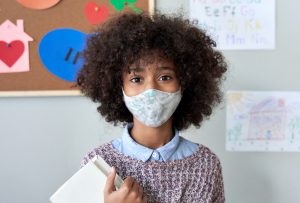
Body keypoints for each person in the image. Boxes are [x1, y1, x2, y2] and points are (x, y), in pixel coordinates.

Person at [77, 11, 227, 203]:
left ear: (186, 83)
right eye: (136, 79)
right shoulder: (98, 163)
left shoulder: (206, 164)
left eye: (165, 77)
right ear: (118, 87)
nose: (151, 89)